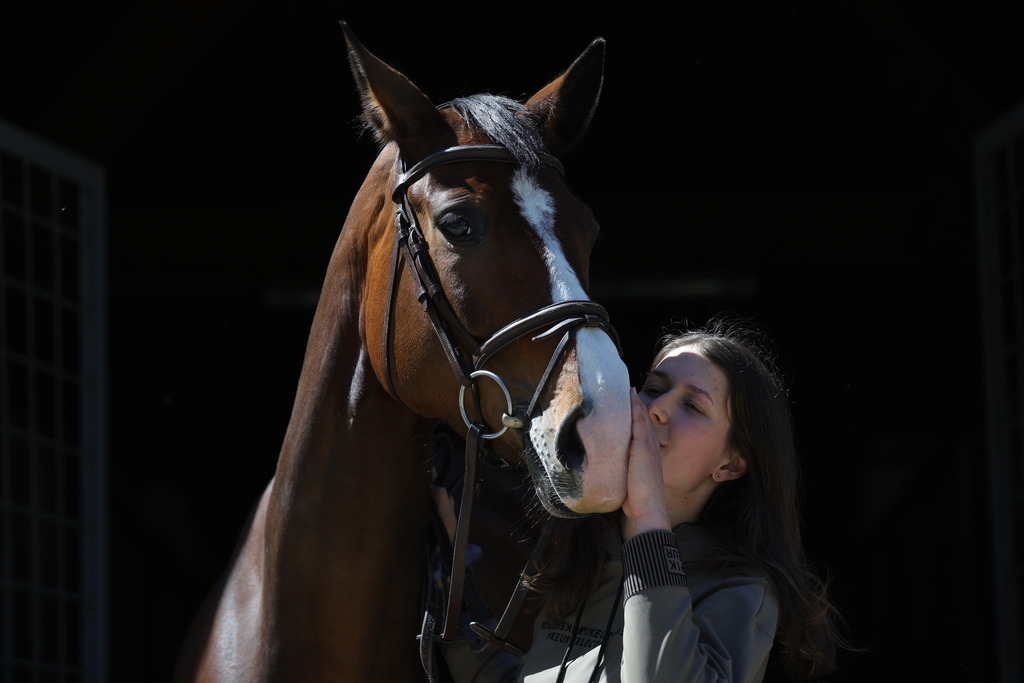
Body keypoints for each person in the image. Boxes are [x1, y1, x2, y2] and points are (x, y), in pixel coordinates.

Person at [435, 316, 853, 682]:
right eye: (654, 388)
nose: (656, 407)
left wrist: (647, 519)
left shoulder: (742, 591)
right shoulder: (580, 559)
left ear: (730, 464)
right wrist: (457, 584)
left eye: (692, 405)